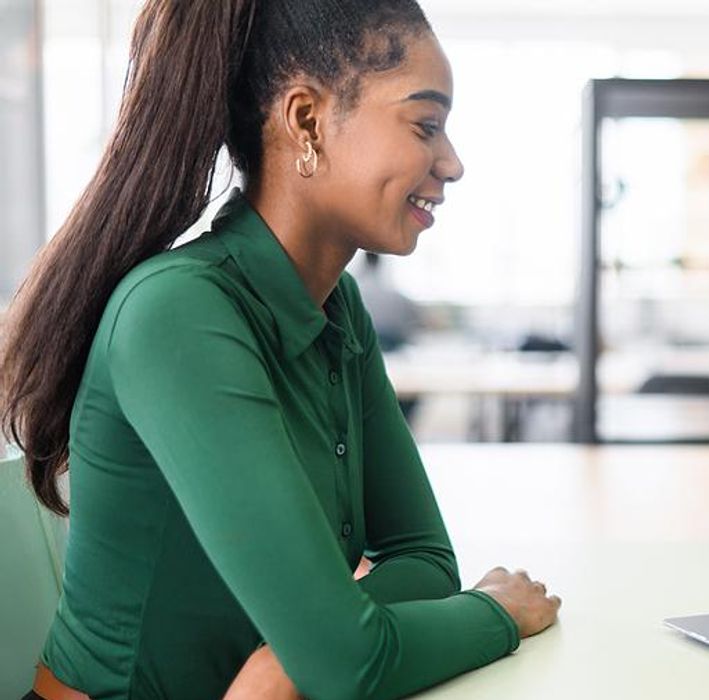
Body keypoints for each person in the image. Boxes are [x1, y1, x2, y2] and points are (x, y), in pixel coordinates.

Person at [0, 3, 561, 699]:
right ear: (305, 122)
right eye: (424, 124)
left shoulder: (336, 305)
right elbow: (348, 663)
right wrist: (494, 612)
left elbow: (424, 560)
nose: (452, 163)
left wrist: (292, 658)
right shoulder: (180, 313)